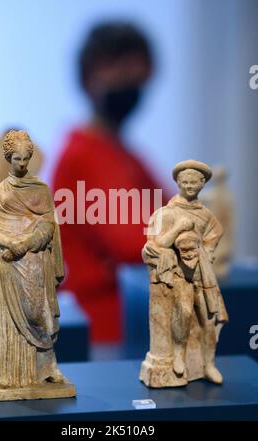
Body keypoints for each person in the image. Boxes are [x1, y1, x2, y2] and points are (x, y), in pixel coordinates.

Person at [52, 22, 172, 345]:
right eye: (116, 67)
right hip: (104, 331)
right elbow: (139, 243)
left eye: (137, 68)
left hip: (134, 323)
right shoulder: (83, 155)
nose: (129, 78)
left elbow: (183, 213)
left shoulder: (124, 153)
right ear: (89, 77)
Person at [0, 130, 65, 390]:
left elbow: (48, 225)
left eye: (25, 158)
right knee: (9, 319)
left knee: (39, 314)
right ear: (8, 158)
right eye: (17, 159)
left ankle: (46, 367)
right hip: (5, 263)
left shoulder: (40, 189)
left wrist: (24, 245)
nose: (22, 164)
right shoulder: (0, 192)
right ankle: (8, 374)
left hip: (33, 258)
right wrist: (8, 243)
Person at [141, 160, 228, 387]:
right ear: (178, 182)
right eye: (185, 182)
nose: (190, 186)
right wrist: (179, 228)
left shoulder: (205, 214)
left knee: (209, 320)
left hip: (203, 274)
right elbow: (155, 244)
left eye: (194, 182)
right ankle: (178, 354)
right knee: (184, 312)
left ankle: (208, 364)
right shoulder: (166, 213)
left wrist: (208, 251)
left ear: (202, 184)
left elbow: (215, 232)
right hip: (178, 275)